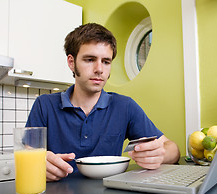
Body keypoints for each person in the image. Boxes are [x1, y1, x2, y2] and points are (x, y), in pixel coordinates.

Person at [26, 23, 180, 182]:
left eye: (106, 61)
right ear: (71, 62)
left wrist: (159, 155)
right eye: (90, 59)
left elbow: (172, 149)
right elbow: (26, 156)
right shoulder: (44, 105)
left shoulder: (125, 106)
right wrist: (37, 163)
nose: (99, 69)